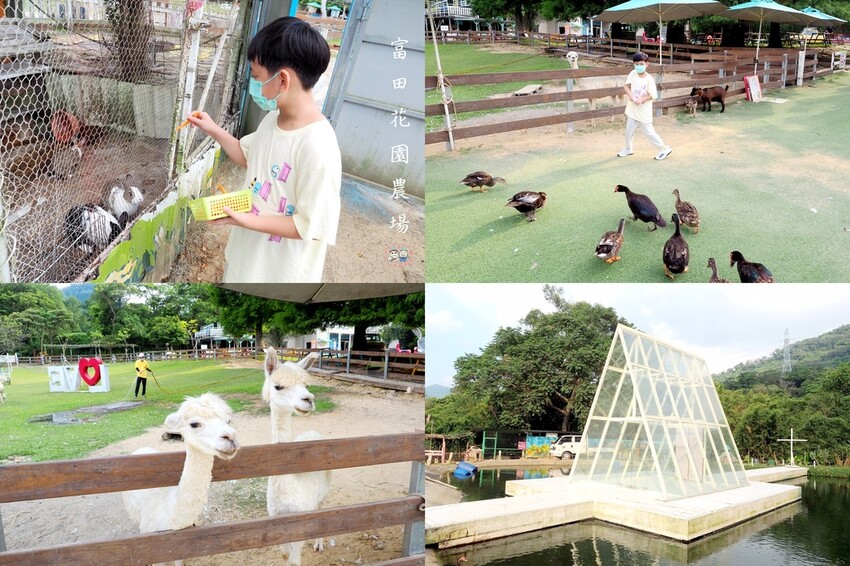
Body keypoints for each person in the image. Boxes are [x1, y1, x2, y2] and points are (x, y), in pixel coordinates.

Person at [187, 17, 341, 282]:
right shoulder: (273, 118)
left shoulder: (319, 147)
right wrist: (212, 129)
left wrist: (244, 220)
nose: (253, 84)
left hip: (281, 274)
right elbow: (250, 157)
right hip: (245, 258)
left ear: (282, 80)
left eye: (257, 77)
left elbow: (309, 225)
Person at [618, 52, 672, 161]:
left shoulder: (649, 79)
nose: (638, 66)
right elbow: (626, 86)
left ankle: (664, 148)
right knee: (629, 130)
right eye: (636, 64)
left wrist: (641, 99)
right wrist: (632, 96)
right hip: (632, 108)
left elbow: (653, 95)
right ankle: (628, 149)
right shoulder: (632, 73)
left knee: (649, 132)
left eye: (641, 63)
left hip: (644, 110)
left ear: (647, 64)